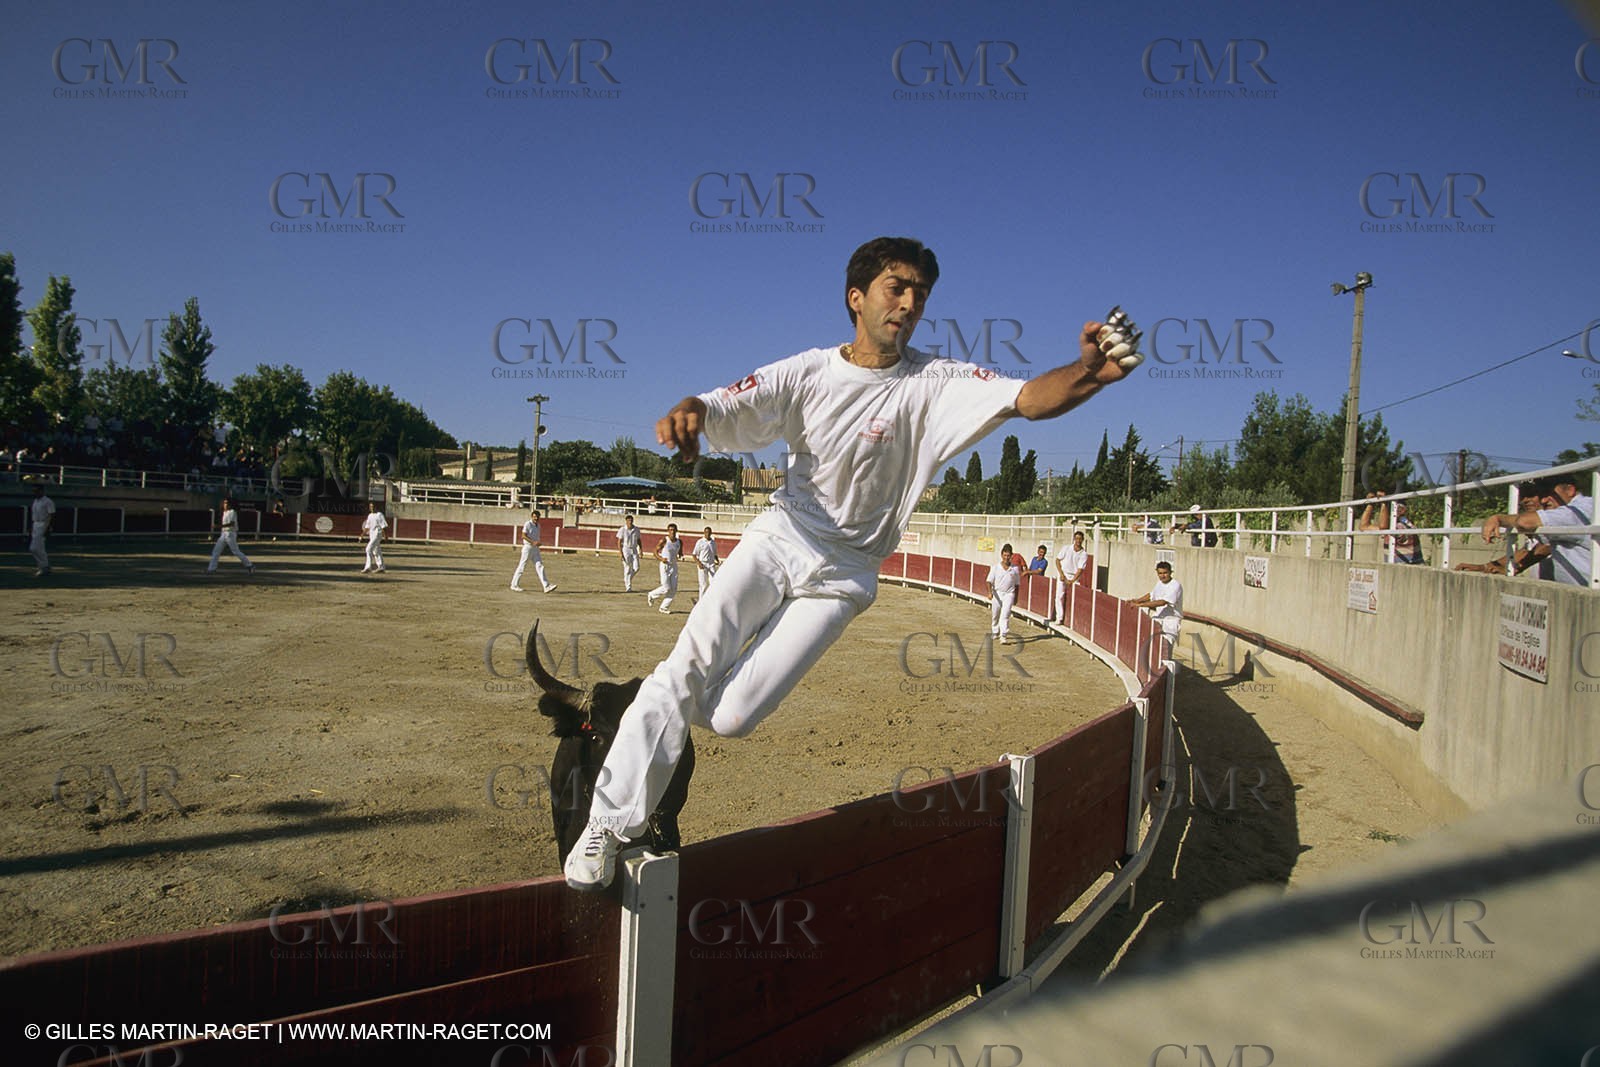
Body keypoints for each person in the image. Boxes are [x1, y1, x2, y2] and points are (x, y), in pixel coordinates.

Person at [561, 235, 1141, 891]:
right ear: (856, 296)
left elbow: (1030, 398)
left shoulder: (935, 383)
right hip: (781, 535)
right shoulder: (805, 373)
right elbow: (726, 406)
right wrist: (693, 413)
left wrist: (1089, 373)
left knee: (731, 716)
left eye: (921, 292)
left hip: (845, 576)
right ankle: (606, 825)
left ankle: (661, 708)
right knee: (685, 667)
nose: (911, 302)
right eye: (898, 286)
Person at [1481, 475, 1594, 586]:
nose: (1543, 500)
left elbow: (1525, 522)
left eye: (1549, 493)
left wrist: (1498, 518)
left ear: (1570, 490)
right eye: (1541, 495)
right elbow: (1541, 546)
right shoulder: (1575, 510)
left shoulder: (1579, 510)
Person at [1128, 560, 1183, 656]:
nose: (1162, 576)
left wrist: (1140, 605)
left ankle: (1167, 669)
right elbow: (1151, 595)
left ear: (1170, 572)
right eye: (1160, 573)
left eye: (1165, 573)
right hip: (1159, 617)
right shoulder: (1159, 583)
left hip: (1171, 620)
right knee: (1152, 644)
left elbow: (1162, 602)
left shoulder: (1175, 585)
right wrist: (1137, 600)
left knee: (1166, 647)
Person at [1360, 493, 1423, 564]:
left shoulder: (1402, 526)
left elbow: (1383, 528)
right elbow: (1364, 527)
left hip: (1407, 572)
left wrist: (1384, 502)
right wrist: (1370, 503)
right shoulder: (1393, 526)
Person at [511, 509, 556, 593]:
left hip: (535, 549)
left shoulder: (538, 525)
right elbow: (523, 536)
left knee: (540, 566)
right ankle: (514, 584)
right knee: (522, 566)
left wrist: (537, 543)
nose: (536, 518)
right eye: (534, 517)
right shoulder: (527, 524)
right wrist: (533, 542)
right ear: (532, 516)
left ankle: (546, 586)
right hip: (528, 548)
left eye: (537, 517)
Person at [207, 496, 254, 574]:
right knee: (216, 551)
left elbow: (232, 524)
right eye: (224, 503)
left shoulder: (232, 512)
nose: (225, 504)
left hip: (230, 534)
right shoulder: (225, 512)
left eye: (227, 503)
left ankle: (250, 565)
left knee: (236, 551)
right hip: (224, 534)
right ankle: (211, 569)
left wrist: (219, 526)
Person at [987, 543, 1023, 642]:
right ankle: (995, 631)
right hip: (997, 593)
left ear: (1011, 556)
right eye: (1004, 555)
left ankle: (1003, 635)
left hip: (1009, 594)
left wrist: (1016, 597)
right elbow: (989, 581)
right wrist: (990, 592)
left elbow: (1017, 584)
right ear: (1001, 555)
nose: (1006, 558)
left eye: (1008, 555)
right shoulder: (995, 567)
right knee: (995, 614)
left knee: (1005, 614)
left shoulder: (1015, 569)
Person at [1053, 529, 1089, 624]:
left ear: (1082, 540)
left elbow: (1080, 569)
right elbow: (1057, 560)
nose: (1078, 541)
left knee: (1075, 597)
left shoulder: (1084, 554)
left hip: (1074, 576)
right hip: (1063, 574)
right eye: (1076, 538)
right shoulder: (1066, 548)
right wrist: (1061, 574)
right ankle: (1059, 618)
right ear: (1074, 539)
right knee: (1059, 596)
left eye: (1080, 539)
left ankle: (1074, 620)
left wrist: (1072, 580)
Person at [645, 523, 683, 614]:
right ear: (668, 531)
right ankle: (651, 594)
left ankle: (664, 607)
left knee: (673, 589)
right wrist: (661, 559)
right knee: (666, 587)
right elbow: (655, 551)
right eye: (670, 530)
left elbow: (680, 552)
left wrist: (681, 556)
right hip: (665, 566)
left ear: (676, 531)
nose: (672, 532)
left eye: (674, 530)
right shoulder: (664, 540)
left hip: (674, 566)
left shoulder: (679, 542)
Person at [28, 482, 55, 576]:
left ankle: (44, 566)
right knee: (36, 548)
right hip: (36, 524)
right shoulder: (35, 501)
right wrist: (32, 527)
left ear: (42, 491)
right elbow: (33, 515)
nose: (35, 493)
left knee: (35, 548)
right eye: (34, 491)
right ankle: (44, 566)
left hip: (43, 524)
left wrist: (47, 528)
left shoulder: (48, 501)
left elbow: (51, 515)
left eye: (37, 491)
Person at [691, 526, 720, 602]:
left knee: (714, 583)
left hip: (711, 564)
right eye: (706, 532)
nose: (707, 534)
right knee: (703, 585)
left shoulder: (713, 542)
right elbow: (694, 555)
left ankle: (711, 600)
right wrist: (698, 563)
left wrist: (717, 560)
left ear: (711, 533)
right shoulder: (700, 542)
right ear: (704, 533)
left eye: (709, 532)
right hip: (702, 564)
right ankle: (701, 602)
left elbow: (715, 553)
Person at [616, 513, 642, 592]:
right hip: (626, 549)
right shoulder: (622, 529)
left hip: (634, 549)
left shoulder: (636, 529)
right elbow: (619, 541)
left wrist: (641, 549)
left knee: (636, 568)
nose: (630, 522)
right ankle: (628, 587)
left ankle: (627, 579)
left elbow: (639, 540)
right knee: (627, 568)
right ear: (626, 521)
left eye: (631, 520)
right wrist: (620, 552)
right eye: (628, 520)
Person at [361, 502, 388, 573]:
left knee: (368, 549)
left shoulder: (379, 514)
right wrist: (362, 535)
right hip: (372, 534)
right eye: (370, 506)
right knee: (376, 551)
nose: (372, 508)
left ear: (376, 507)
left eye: (373, 506)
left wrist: (385, 536)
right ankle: (381, 567)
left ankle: (368, 567)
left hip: (377, 534)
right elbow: (367, 527)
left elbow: (383, 526)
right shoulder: (370, 515)